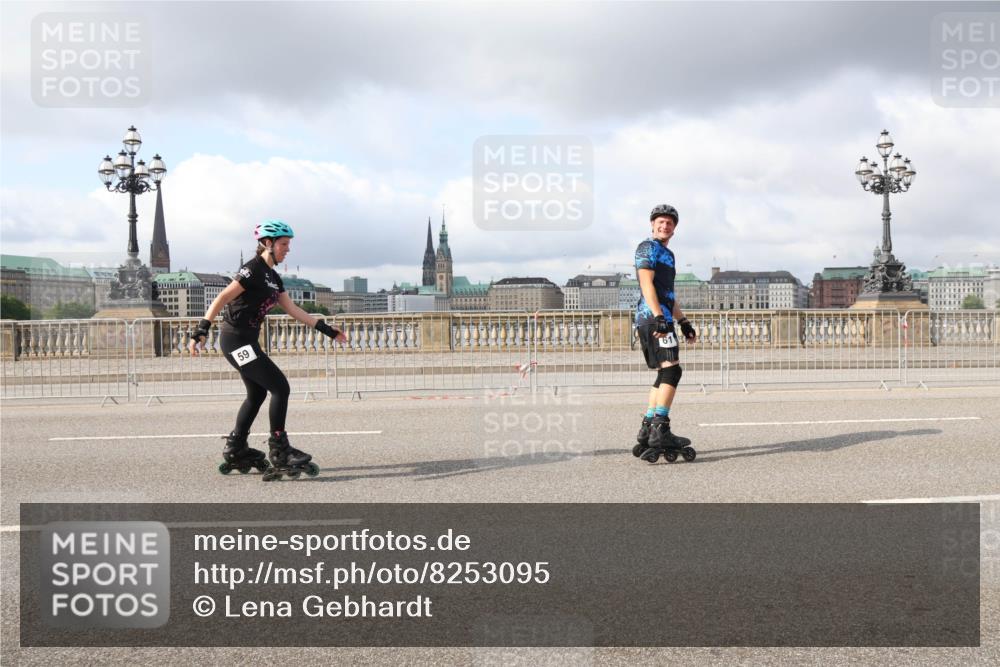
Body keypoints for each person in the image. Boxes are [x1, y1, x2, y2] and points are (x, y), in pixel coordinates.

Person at [188, 219, 347, 477]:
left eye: (289, 244)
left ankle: (236, 447)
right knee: (280, 387)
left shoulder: (273, 278)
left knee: (258, 394)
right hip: (235, 340)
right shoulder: (252, 269)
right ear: (267, 243)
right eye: (284, 244)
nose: (288, 249)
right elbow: (222, 297)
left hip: (247, 341)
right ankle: (279, 450)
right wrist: (201, 330)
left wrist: (328, 330)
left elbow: (294, 311)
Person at [632, 204, 698, 462]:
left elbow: (668, 294)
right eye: (660, 222)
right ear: (652, 224)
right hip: (652, 319)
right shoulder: (647, 248)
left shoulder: (668, 254)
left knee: (664, 372)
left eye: (669, 223)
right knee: (673, 370)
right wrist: (660, 317)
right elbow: (646, 283)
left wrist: (683, 322)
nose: (664, 226)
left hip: (662, 318)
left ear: (674, 228)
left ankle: (648, 425)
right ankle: (661, 427)